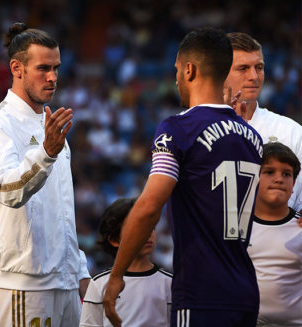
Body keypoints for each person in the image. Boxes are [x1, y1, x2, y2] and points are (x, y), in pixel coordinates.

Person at [103, 27, 263, 327]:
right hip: (245, 291)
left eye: (177, 70)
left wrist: (116, 275)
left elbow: (150, 206)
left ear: (189, 70)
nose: (176, 78)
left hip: (202, 292)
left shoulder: (178, 128)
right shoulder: (251, 135)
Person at [0, 22, 90, 327]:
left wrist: (80, 273)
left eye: (56, 68)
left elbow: (63, 210)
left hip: (64, 283)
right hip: (22, 282)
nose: (52, 77)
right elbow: (6, 189)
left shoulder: (49, 125)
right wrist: (47, 153)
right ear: (17, 68)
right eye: (43, 68)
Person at [224, 32, 302, 213]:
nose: (254, 76)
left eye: (259, 67)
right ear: (221, 73)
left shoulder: (292, 132)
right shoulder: (197, 129)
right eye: (243, 68)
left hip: (280, 239)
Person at [80, 198, 172, 327]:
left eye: (151, 227)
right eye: (137, 229)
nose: (147, 234)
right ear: (114, 240)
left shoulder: (169, 283)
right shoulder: (99, 283)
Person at [248, 142, 302, 326]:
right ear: (254, 178)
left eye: (286, 174)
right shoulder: (236, 228)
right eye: (269, 172)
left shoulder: (300, 227)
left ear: (293, 184)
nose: (279, 179)